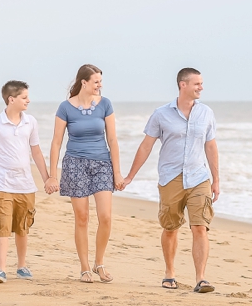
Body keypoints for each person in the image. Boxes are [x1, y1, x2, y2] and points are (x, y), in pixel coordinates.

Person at [121, 68, 219, 293]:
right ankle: (170, 273)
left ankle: (201, 279)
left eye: (202, 83)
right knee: (170, 228)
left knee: (200, 227)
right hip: (170, 178)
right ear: (182, 85)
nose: (201, 87)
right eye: (197, 84)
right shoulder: (161, 114)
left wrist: (216, 180)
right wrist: (130, 176)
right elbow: (147, 145)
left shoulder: (206, 113)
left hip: (198, 177)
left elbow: (211, 146)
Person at [45, 64, 123, 284]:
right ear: (84, 83)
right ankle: (85, 268)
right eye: (96, 81)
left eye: (101, 82)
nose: (100, 85)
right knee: (82, 218)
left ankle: (99, 263)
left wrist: (117, 173)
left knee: (105, 217)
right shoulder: (65, 108)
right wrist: (53, 175)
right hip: (75, 164)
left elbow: (113, 140)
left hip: (102, 164)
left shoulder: (105, 104)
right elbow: (56, 142)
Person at [0, 80, 51, 283]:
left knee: (22, 226)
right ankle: (0, 269)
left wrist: (47, 178)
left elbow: (36, 152)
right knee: (1, 225)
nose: (28, 100)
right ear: (12, 99)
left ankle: (22, 266)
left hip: (25, 185)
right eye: (24, 97)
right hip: (0, 184)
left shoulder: (31, 122)